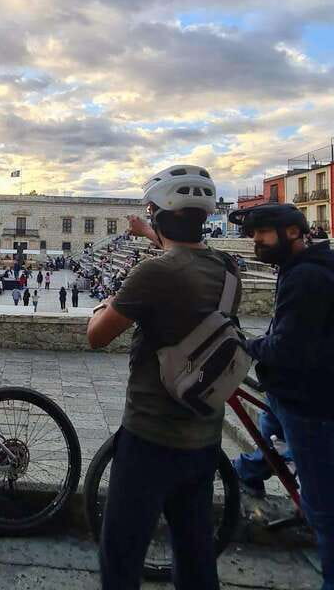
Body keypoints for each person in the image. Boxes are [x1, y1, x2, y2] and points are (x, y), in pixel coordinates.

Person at [87, 165, 237, 590]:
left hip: (150, 436)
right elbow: (186, 259)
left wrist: (108, 300)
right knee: (195, 557)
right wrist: (150, 238)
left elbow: (97, 336)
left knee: (121, 555)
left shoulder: (153, 273)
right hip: (204, 437)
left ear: (157, 214)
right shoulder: (229, 270)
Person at [228, 203, 334, 590]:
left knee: (328, 514)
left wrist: (249, 344)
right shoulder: (300, 270)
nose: (256, 242)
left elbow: (287, 347)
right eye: (253, 235)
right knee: (268, 428)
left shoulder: (306, 279)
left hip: (312, 404)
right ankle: (250, 471)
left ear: (292, 232)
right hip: (290, 393)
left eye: (263, 234)